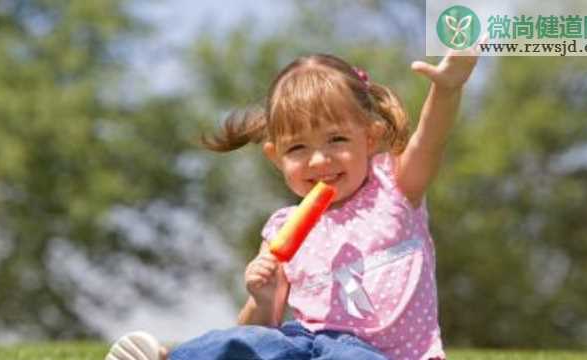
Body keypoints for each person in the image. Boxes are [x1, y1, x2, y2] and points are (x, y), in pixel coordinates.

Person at [105, 48, 478, 360]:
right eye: (298, 148)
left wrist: (447, 90)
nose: (319, 161)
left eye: (336, 140)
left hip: (384, 354)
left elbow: (430, 141)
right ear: (276, 157)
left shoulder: (394, 188)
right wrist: (262, 296)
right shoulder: (283, 226)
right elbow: (257, 331)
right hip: (306, 342)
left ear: (370, 137)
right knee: (256, 344)